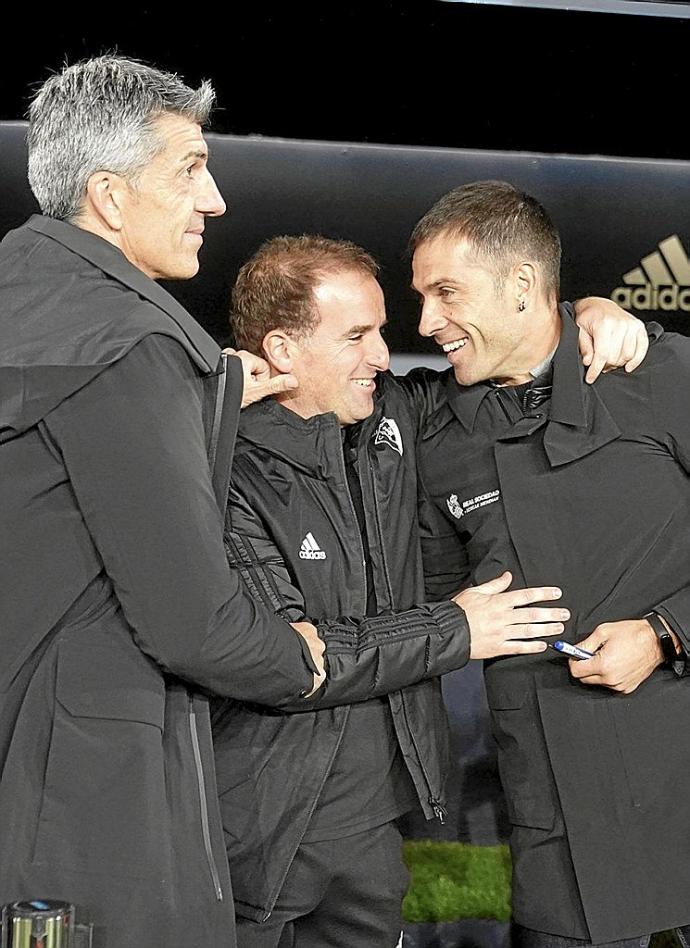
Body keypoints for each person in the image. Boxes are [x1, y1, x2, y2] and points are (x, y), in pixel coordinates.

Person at [213, 234, 648, 948]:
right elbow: (288, 659)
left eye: (381, 330)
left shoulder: (396, 415)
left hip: (373, 828)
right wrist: (459, 630)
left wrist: (589, 316)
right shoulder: (221, 469)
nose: (385, 355)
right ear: (282, 351)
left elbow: (519, 356)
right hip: (257, 824)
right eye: (357, 335)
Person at [0, 56, 327, 948]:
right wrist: (299, 658)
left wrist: (209, 393)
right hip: (80, 803)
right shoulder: (126, 344)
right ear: (109, 196)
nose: (214, 199)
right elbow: (192, 620)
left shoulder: (30, 306)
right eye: (189, 168)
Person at [411, 180, 690, 947]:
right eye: (422, 296)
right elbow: (430, 595)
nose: (427, 321)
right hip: (559, 811)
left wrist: (667, 634)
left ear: (524, 287)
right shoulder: (433, 425)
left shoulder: (661, 376)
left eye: (446, 293)